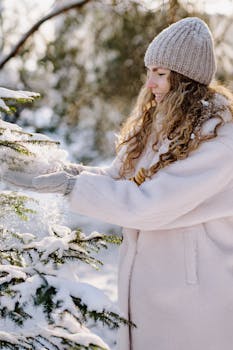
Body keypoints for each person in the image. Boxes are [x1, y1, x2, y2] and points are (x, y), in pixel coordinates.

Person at [5, 17, 233, 350]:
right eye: (149, 71)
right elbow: (118, 179)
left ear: (186, 80)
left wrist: (71, 188)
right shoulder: (164, 126)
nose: (150, 83)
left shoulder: (219, 142)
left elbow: (149, 204)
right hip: (154, 287)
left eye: (160, 73)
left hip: (195, 297)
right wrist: (61, 173)